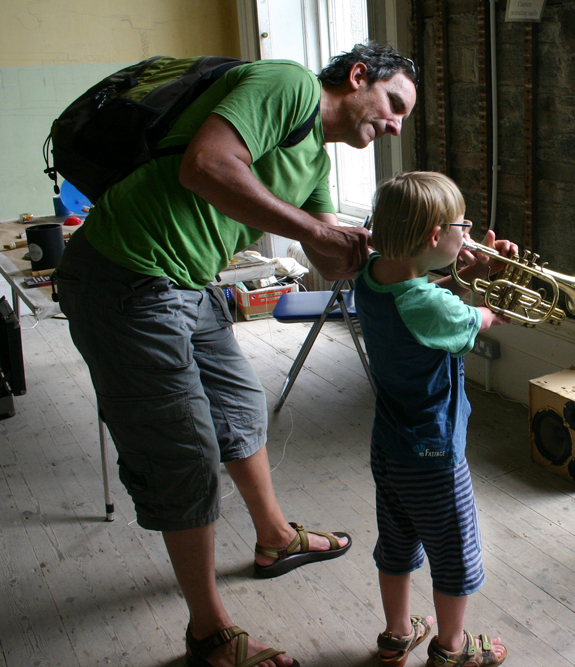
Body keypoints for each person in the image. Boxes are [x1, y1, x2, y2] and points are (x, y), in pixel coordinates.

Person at [55, 43, 418, 667]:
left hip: (186, 282)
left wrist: (420, 253)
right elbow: (207, 165)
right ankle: (208, 634)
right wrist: (316, 232)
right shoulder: (289, 85)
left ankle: (275, 537)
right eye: (392, 105)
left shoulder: (315, 161)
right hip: (125, 274)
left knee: (239, 405)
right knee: (182, 450)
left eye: (403, 120)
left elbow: (330, 262)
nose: (394, 125)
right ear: (358, 77)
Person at [348, 171, 510, 667]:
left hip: (390, 446)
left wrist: (461, 275)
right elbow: (479, 320)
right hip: (435, 453)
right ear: (436, 237)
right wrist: (493, 292)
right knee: (456, 551)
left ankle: (397, 635)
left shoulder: (373, 277)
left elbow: (421, 292)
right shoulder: (430, 305)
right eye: (462, 226)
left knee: (396, 541)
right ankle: (452, 648)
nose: (468, 234)